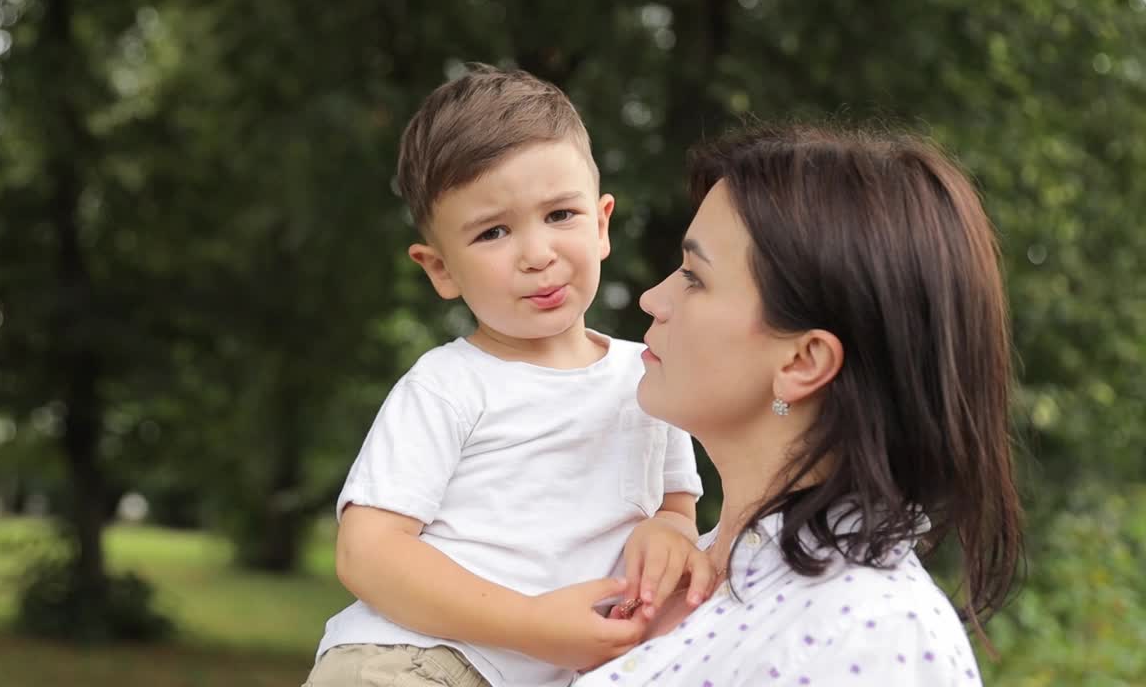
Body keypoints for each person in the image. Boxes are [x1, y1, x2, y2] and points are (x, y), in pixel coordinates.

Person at [304, 65, 708, 687]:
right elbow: (368, 551)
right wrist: (532, 623)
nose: (536, 254)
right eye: (493, 231)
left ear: (602, 224)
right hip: (417, 658)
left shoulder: (648, 372)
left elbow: (677, 508)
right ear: (440, 269)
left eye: (560, 215)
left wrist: (668, 534)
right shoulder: (449, 385)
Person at [578, 123, 1023, 685]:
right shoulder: (687, 562)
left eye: (694, 277)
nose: (653, 298)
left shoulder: (879, 633)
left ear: (803, 363)